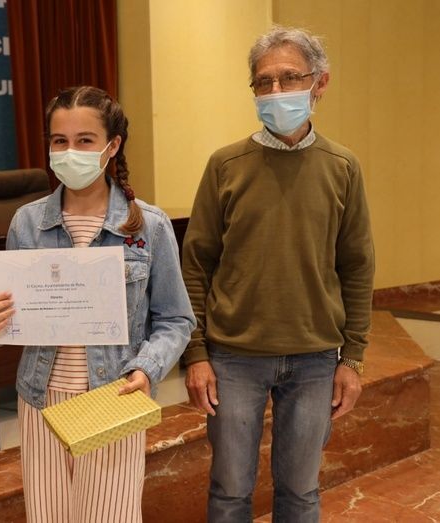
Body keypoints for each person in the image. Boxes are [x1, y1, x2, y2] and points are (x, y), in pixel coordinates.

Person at [0, 85, 196, 522]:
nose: (70, 152)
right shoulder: (27, 223)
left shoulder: (148, 226)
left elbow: (176, 319)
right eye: (60, 141)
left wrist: (146, 369)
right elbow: (9, 319)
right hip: (40, 398)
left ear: (112, 146)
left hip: (114, 393)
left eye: (85, 140)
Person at [181, 26, 375, 522]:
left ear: (320, 82)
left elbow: (357, 265)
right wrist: (196, 354)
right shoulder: (225, 165)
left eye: (289, 78)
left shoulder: (343, 167)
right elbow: (196, 264)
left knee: (301, 491)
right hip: (233, 357)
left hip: (315, 358)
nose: (275, 91)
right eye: (263, 82)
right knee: (229, 491)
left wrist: (352, 358)